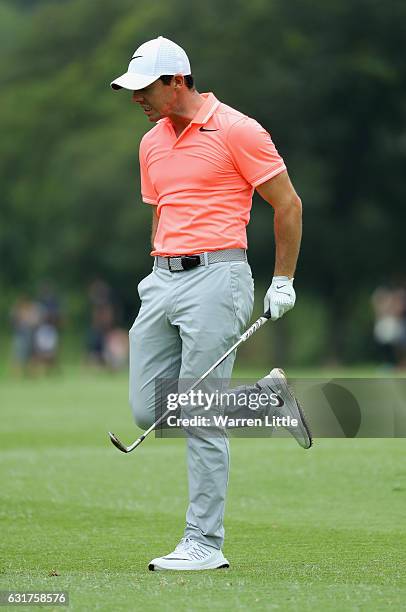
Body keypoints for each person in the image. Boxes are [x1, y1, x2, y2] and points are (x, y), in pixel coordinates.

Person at [110, 36, 312, 571]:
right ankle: (267, 401)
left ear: (178, 81)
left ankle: (204, 543)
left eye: (146, 88)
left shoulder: (239, 130)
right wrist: (155, 272)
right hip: (161, 279)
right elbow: (162, 211)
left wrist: (282, 280)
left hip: (218, 279)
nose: (138, 99)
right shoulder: (150, 143)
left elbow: (287, 204)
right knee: (147, 409)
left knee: (199, 414)